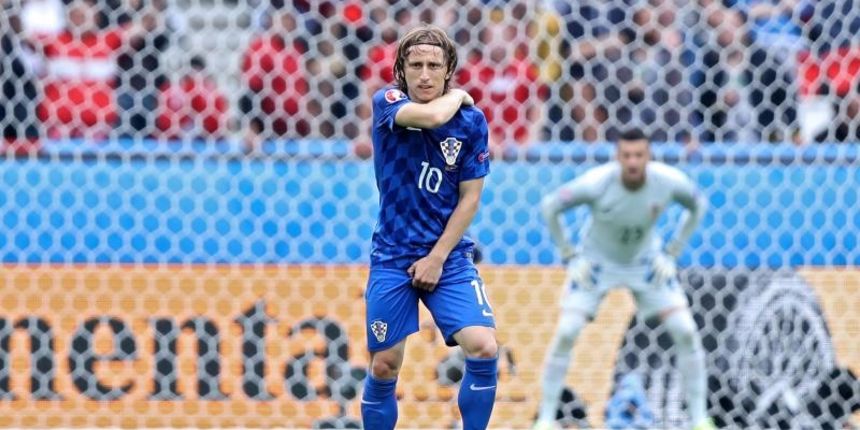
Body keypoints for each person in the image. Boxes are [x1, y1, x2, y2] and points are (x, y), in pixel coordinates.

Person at [361, 25, 498, 430]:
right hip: (393, 254)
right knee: (385, 366)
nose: (424, 74)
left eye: (433, 66)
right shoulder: (388, 102)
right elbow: (435, 114)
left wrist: (437, 257)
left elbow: (470, 198)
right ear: (401, 71)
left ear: (447, 68)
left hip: (448, 258)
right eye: (415, 65)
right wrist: (456, 94)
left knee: (485, 348)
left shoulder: (472, 123)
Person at [533, 129, 714, 430]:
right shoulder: (597, 183)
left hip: (645, 263)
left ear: (649, 156)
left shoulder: (667, 181)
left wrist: (672, 253)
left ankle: (699, 420)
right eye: (626, 156)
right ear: (617, 157)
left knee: (685, 331)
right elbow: (550, 206)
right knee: (567, 332)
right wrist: (569, 256)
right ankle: (546, 419)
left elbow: (698, 204)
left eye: (638, 155)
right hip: (596, 265)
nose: (632, 162)